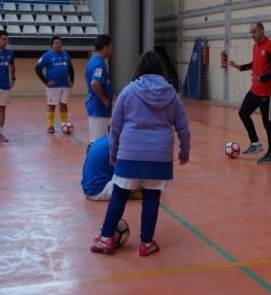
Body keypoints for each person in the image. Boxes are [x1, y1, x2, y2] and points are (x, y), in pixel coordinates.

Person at [90, 51, 190, 256]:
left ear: (139, 69)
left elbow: (115, 126)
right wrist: (184, 151)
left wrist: (113, 151)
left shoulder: (128, 91)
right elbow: (183, 128)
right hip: (159, 155)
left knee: (119, 193)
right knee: (152, 197)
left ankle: (106, 238)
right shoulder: (171, 95)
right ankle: (146, 243)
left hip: (130, 153)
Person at [228, 21, 271, 164]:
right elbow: (256, 63)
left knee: (267, 121)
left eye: (254, 32)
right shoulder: (256, 46)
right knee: (243, 113)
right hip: (255, 89)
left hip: (267, 92)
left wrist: (262, 78)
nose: (252, 35)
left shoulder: (270, 47)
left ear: (262, 31)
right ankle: (256, 144)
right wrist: (241, 67)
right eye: (251, 32)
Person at [81, 134, 141, 201]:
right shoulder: (119, 144)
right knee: (143, 182)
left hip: (87, 187)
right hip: (99, 190)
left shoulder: (101, 140)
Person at [35, 35, 74, 133]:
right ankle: (50, 126)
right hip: (53, 86)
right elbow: (37, 68)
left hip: (65, 85)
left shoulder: (65, 55)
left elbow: (70, 68)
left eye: (60, 43)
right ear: (52, 45)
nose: (59, 45)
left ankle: (64, 124)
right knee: (51, 105)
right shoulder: (47, 56)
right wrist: (45, 81)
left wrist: (72, 80)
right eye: (56, 43)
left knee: (64, 104)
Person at [84, 34, 113, 143]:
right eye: (111, 47)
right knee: (97, 141)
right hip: (98, 108)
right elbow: (95, 82)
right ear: (105, 47)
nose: (111, 50)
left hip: (97, 107)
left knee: (100, 139)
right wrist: (104, 99)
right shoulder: (99, 65)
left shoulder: (93, 61)